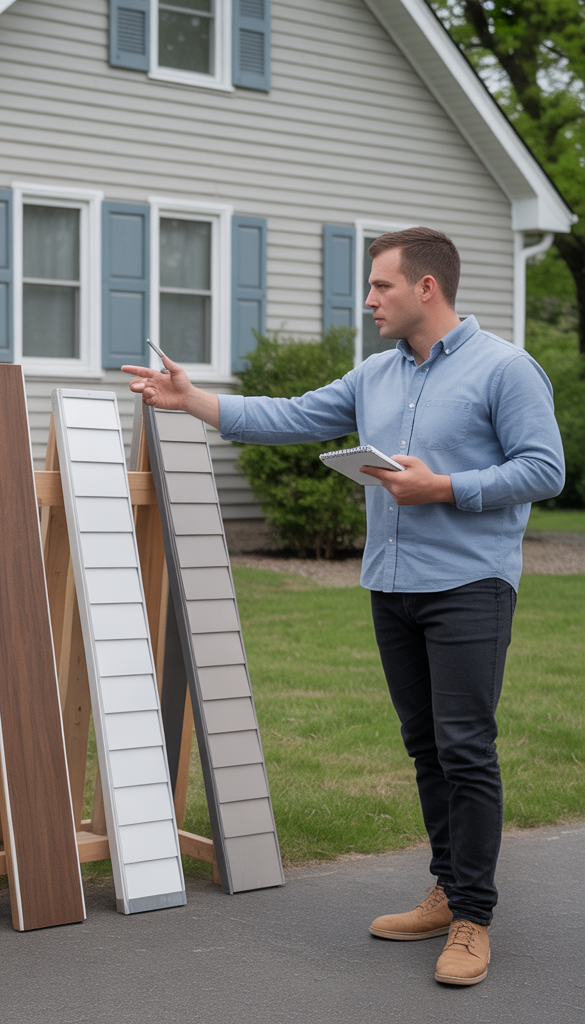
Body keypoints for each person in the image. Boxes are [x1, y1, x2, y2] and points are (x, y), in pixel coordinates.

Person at [123, 227, 564, 988]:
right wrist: (192, 400)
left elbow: (545, 469)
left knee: (465, 749)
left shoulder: (506, 369)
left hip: (469, 587)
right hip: (391, 586)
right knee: (426, 747)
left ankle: (474, 918)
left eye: (381, 286)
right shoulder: (375, 374)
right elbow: (293, 417)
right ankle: (447, 886)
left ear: (426, 287)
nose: (368, 301)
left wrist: (445, 486)